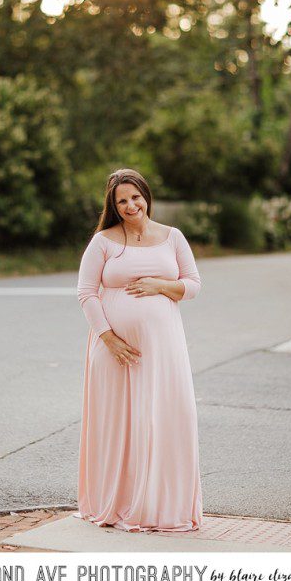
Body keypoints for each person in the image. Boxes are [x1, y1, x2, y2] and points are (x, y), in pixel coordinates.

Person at [76, 168, 202, 532]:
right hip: (114, 350)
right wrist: (109, 338)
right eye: (122, 201)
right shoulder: (103, 241)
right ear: (113, 206)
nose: (131, 205)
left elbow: (193, 284)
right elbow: (86, 293)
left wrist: (159, 285)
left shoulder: (172, 237)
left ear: (146, 196)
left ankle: (159, 504)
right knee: (120, 426)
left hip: (163, 349)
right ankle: (118, 502)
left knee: (163, 417)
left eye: (135, 197)